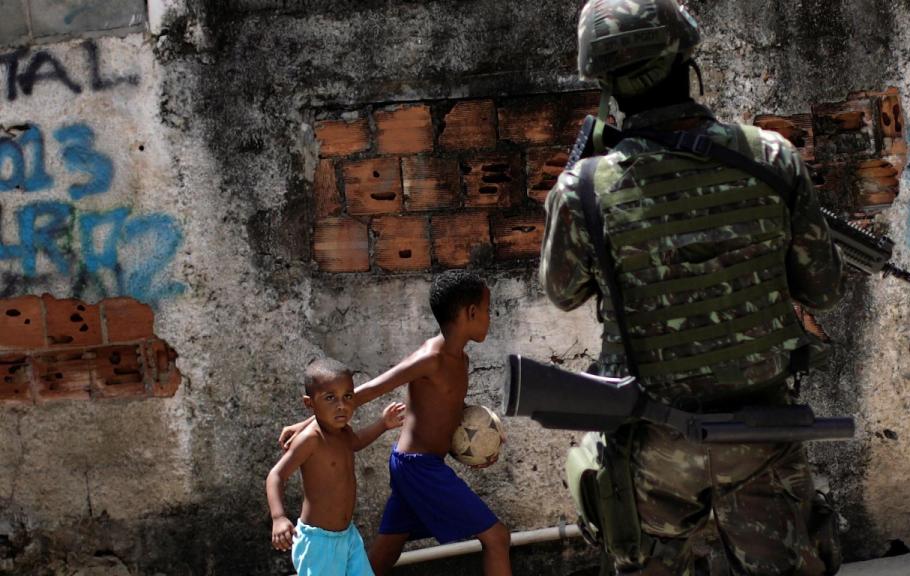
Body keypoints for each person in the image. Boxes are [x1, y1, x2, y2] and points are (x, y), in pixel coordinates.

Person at [540, 1, 846, 575]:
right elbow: (824, 290)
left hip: (651, 445)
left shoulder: (581, 189)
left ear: (604, 84)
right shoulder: (772, 158)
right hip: (761, 431)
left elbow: (562, 291)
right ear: (687, 56)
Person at [279, 270, 512, 576]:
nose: (489, 318)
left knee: (385, 552)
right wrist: (308, 423)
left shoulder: (462, 361)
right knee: (497, 537)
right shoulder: (430, 358)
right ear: (470, 313)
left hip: (414, 465)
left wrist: (479, 445)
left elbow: (447, 412)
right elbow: (368, 390)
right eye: (486, 310)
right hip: (419, 466)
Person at [266, 358, 406, 576]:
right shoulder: (311, 439)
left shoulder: (343, 431)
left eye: (348, 397)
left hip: (347, 536)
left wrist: (383, 424)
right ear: (309, 403)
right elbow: (276, 475)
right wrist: (278, 517)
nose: (342, 405)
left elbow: (356, 442)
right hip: (319, 543)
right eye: (330, 398)